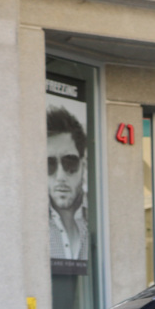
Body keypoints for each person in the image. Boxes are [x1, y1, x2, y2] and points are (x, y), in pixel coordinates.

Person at [47, 105, 88, 263]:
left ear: (83, 164)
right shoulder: (34, 225)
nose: (60, 177)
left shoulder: (97, 219)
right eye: (50, 164)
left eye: (69, 163)